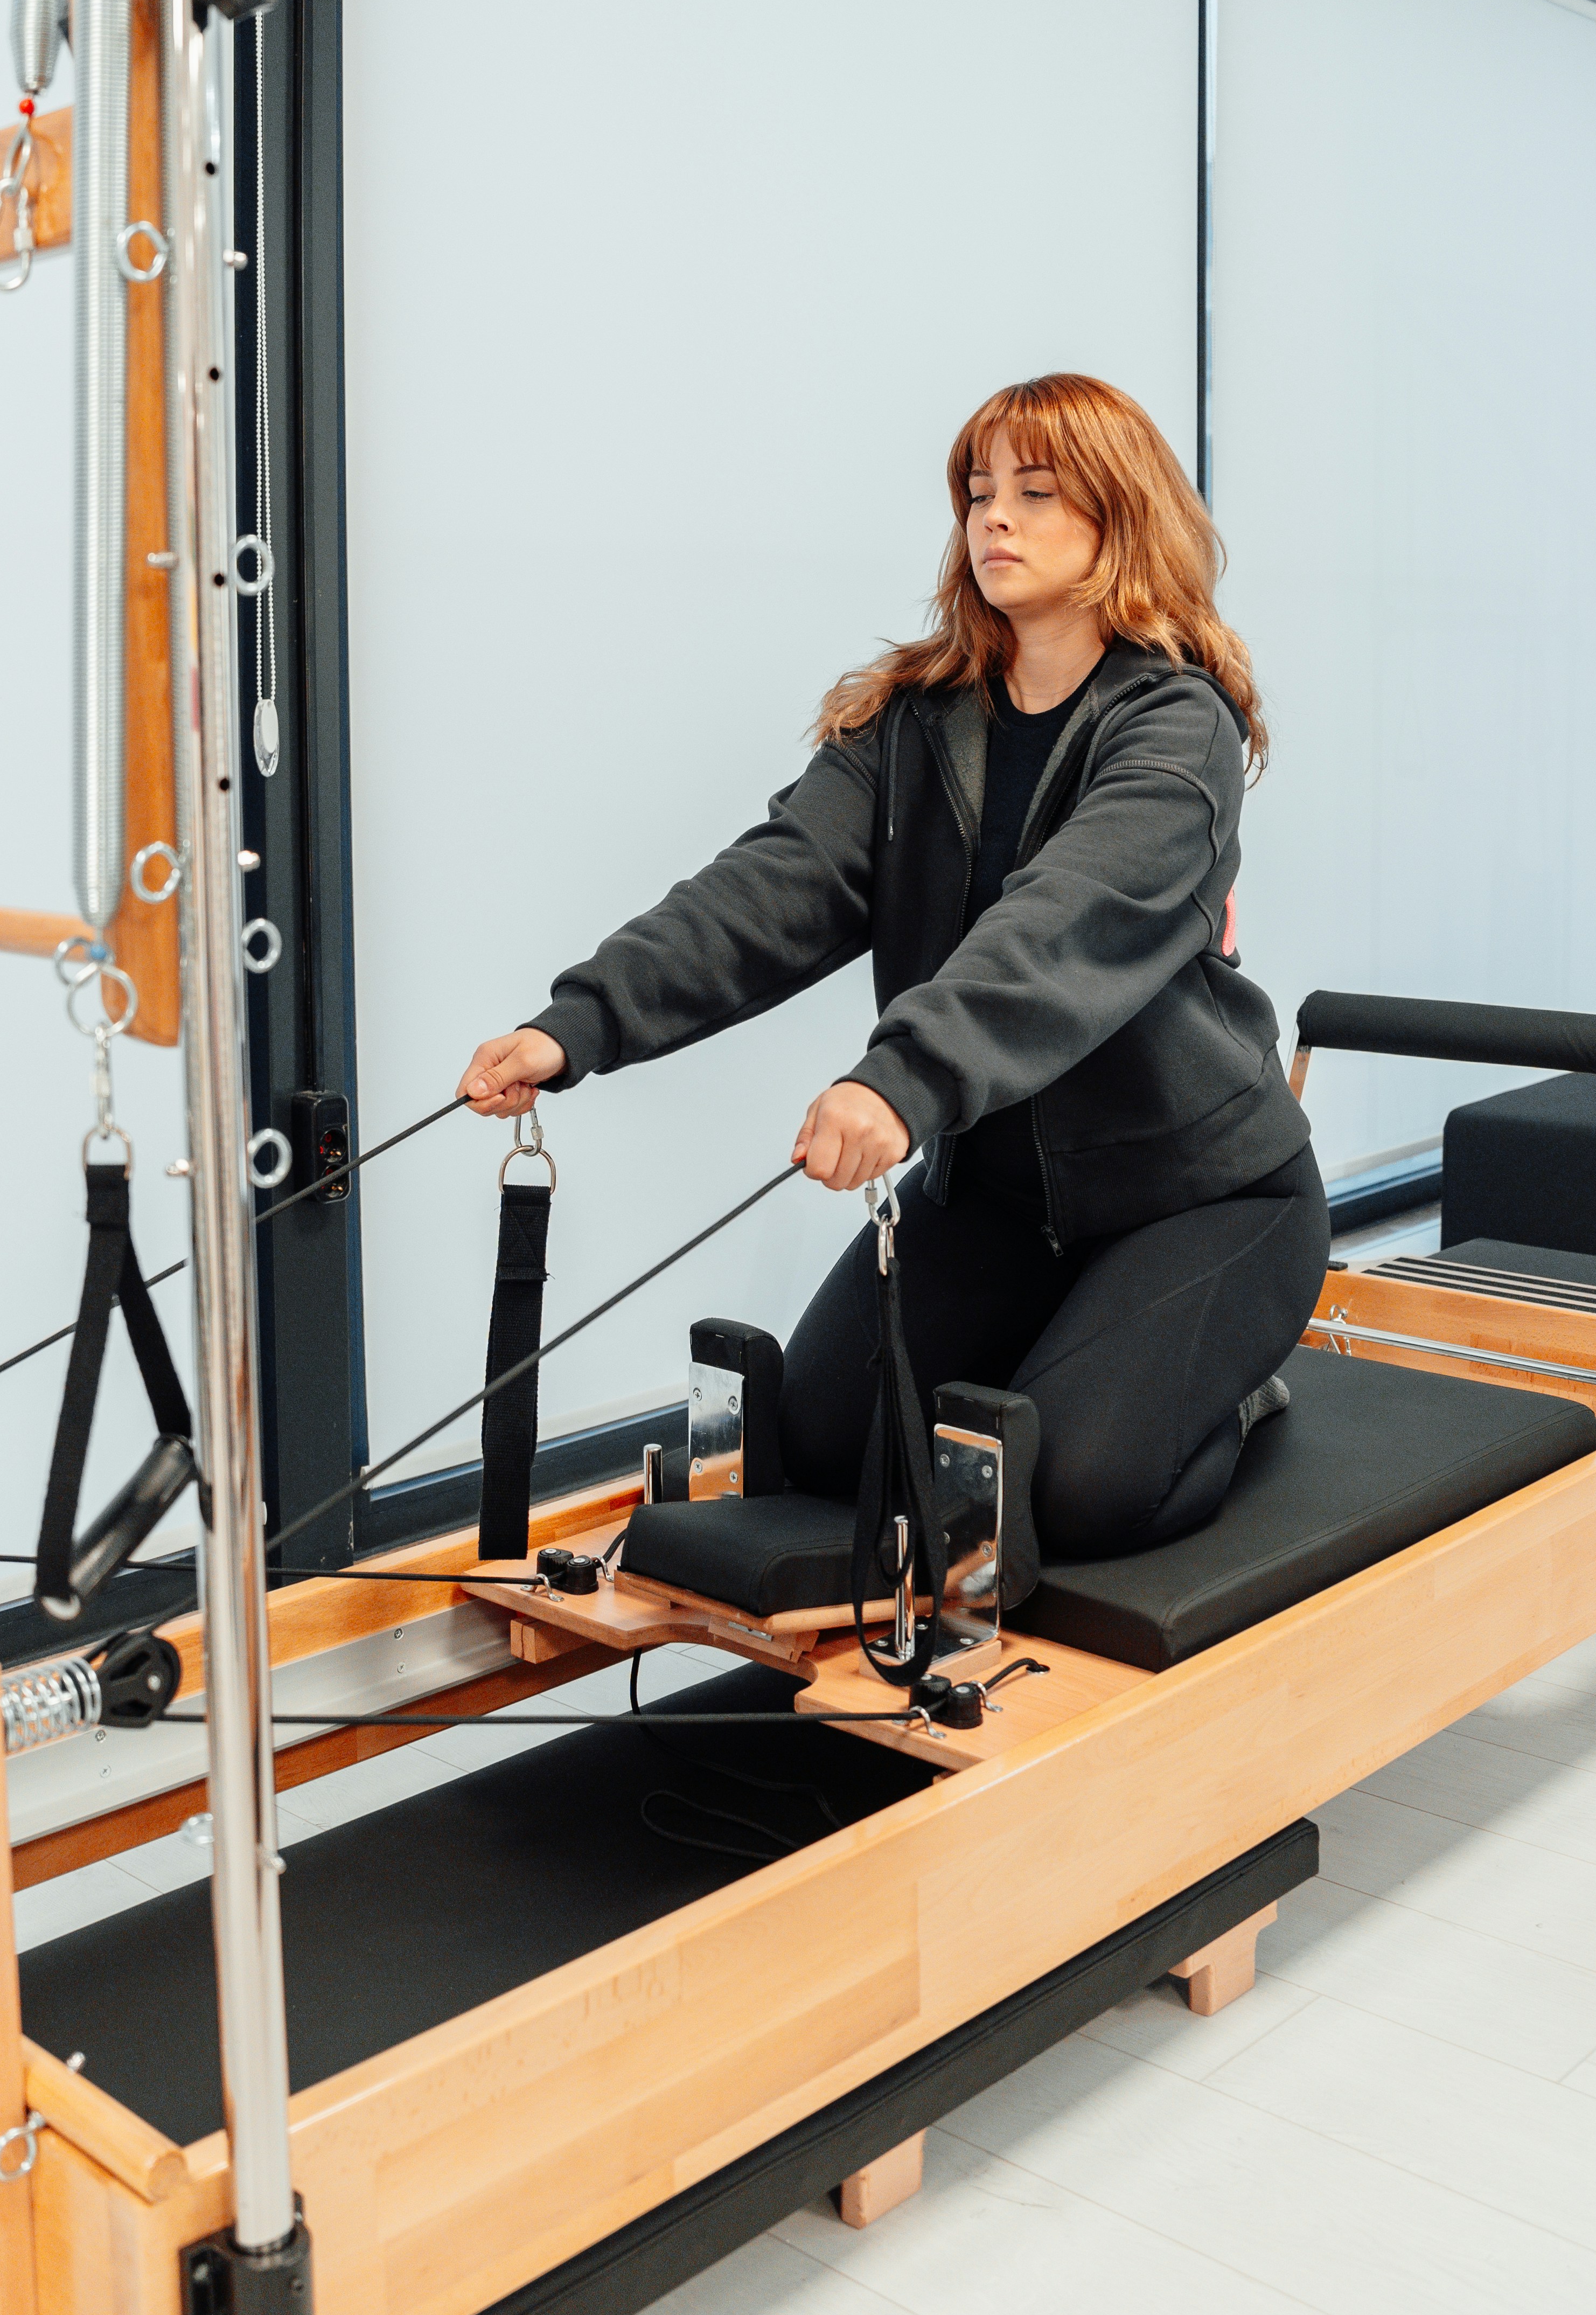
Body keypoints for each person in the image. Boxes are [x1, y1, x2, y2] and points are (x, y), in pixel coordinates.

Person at [457, 372, 1327, 1564]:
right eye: (977, 493)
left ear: (1120, 518)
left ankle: (1228, 1390)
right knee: (827, 1443)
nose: (992, 520)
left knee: (1072, 1489)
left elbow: (1062, 923)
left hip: (1198, 1199)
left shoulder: (1177, 731)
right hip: (1001, 1206)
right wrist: (578, 1026)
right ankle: (1073, 1348)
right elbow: (771, 888)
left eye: (1033, 492)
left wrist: (896, 1083)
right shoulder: (917, 721)